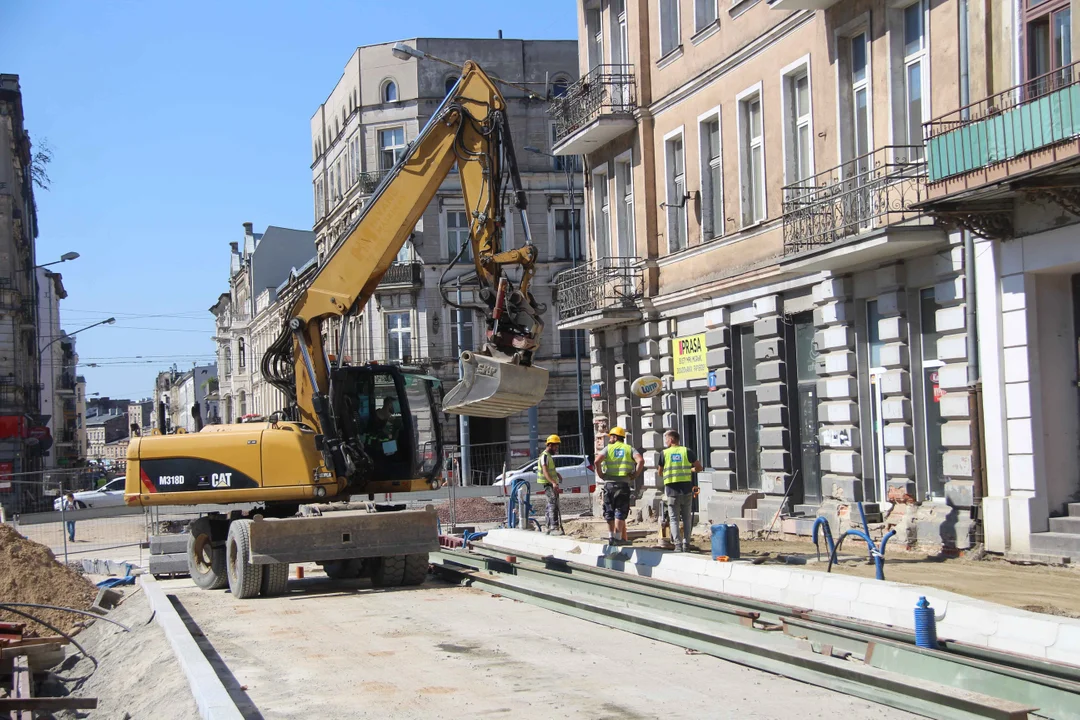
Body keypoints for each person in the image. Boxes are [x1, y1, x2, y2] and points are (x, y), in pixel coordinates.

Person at [594, 426, 644, 546]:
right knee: (620, 511)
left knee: (609, 511)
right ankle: (618, 538)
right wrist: (635, 474)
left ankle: (611, 538)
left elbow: (596, 461)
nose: (609, 439)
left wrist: (601, 474)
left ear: (615, 437)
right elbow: (641, 461)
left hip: (609, 484)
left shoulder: (608, 449)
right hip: (623, 485)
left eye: (611, 437)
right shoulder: (629, 449)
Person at [658, 430, 703, 553]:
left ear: (671, 440)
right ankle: (686, 544)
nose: (666, 442)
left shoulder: (664, 453)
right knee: (687, 518)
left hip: (672, 490)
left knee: (674, 518)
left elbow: (660, 472)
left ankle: (677, 545)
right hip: (686, 490)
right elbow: (699, 467)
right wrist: (690, 470)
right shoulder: (686, 451)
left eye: (666, 439)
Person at [537, 434, 563, 534]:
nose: (556, 448)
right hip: (548, 484)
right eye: (555, 446)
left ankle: (547, 526)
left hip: (550, 483)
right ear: (550, 445)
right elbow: (545, 471)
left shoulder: (548, 456)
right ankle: (553, 527)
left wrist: (557, 474)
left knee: (550, 504)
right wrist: (553, 483)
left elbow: (549, 469)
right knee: (552, 504)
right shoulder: (544, 456)